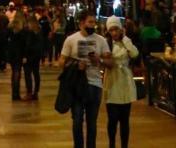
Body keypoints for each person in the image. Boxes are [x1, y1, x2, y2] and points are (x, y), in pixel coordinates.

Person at [59, 10, 113, 148]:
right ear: (81, 23)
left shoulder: (101, 40)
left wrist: (99, 59)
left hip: (95, 84)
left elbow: (110, 63)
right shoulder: (71, 39)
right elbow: (61, 62)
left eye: (94, 22)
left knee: (92, 122)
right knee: (77, 120)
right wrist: (76, 64)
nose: (93, 25)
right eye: (90, 22)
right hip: (77, 85)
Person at [103, 15, 139, 148]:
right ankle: (111, 144)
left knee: (125, 119)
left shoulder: (126, 41)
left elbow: (134, 54)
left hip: (125, 81)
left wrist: (125, 40)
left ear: (120, 29)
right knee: (112, 119)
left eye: (116, 29)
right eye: (111, 30)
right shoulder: (106, 43)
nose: (113, 33)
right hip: (112, 81)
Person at [7, 10, 27, 101]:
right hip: (19, 52)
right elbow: (23, 43)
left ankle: (14, 93)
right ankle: (16, 94)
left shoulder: (10, 27)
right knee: (17, 72)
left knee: (13, 72)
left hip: (11, 51)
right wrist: (24, 55)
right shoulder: (22, 29)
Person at [23, 15, 43, 100]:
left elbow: (28, 44)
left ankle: (29, 92)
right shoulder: (39, 30)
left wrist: (24, 55)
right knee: (36, 73)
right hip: (37, 55)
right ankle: (36, 92)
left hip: (30, 55)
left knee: (28, 74)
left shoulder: (29, 32)